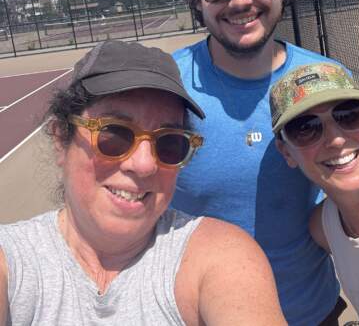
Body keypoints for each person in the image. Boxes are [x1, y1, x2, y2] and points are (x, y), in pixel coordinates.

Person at [0, 40, 287, 326]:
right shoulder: (12, 261)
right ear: (62, 139)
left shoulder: (221, 257)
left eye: (169, 144)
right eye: (114, 135)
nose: (144, 164)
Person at [172, 0, 347, 325]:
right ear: (198, 0)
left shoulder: (327, 81)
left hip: (311, 311)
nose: (238, 0)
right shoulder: (167, 86)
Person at [270, 62, 359, 326]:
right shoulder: (325, 227)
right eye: (305, 128)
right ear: (286, 152)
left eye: (349, 114)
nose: (336, 139)